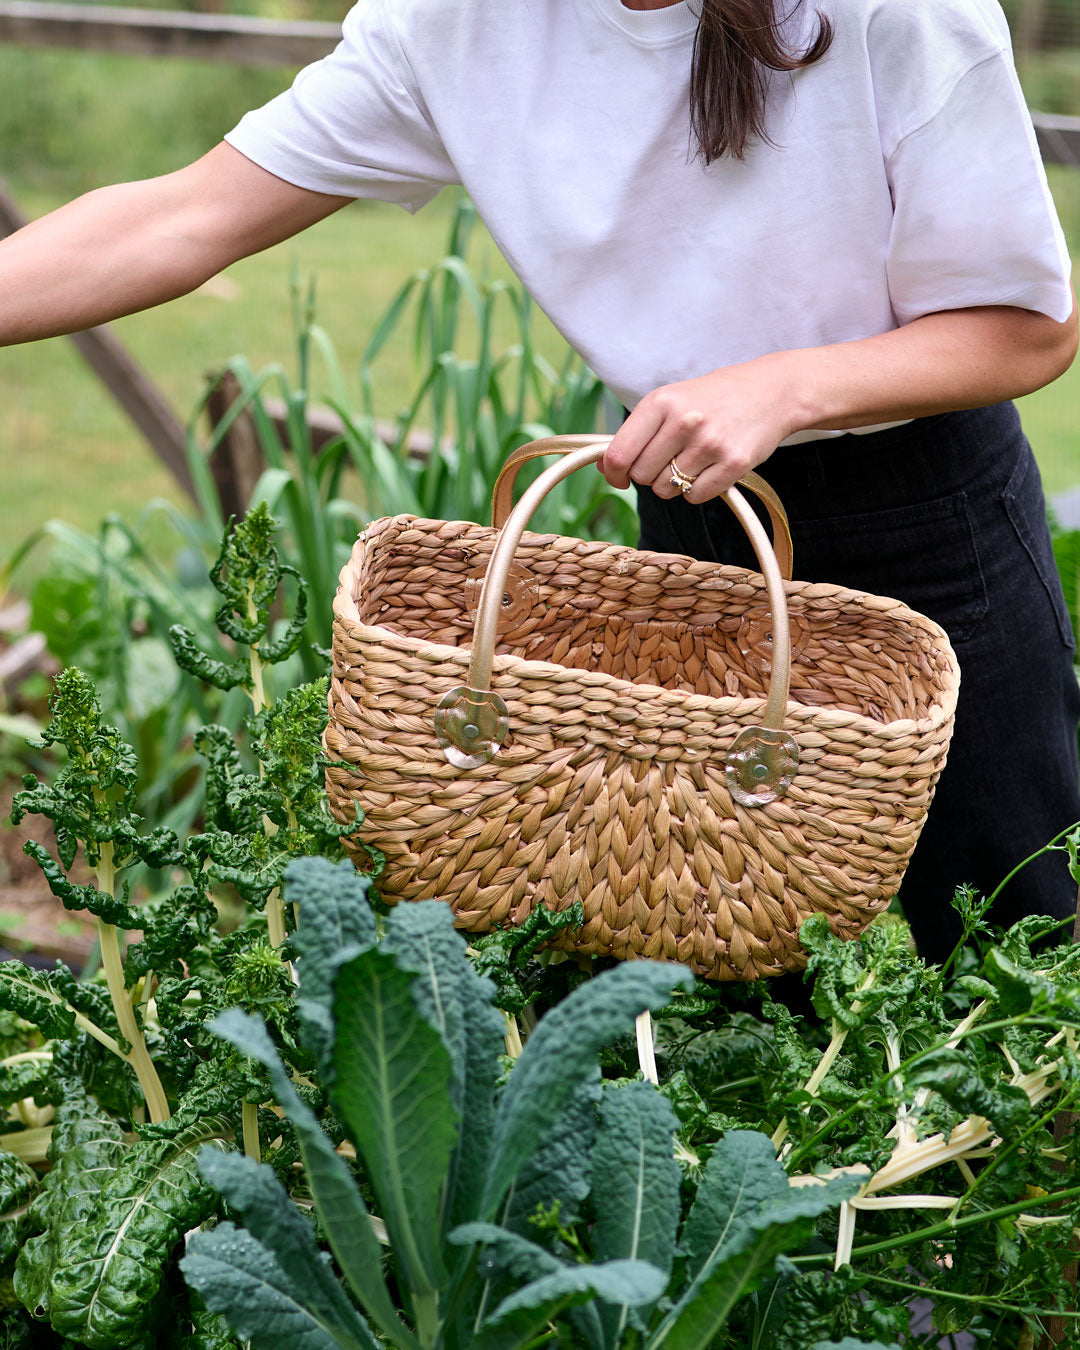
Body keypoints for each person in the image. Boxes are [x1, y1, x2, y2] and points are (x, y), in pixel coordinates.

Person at [1, 0, 1078, 963]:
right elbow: (182, 217)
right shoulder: (455, 22)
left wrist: (785, 386)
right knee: (712, 967)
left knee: (1020, 956)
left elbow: (1028, 331)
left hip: (933, 530)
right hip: (697, 533)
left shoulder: (902, 12)